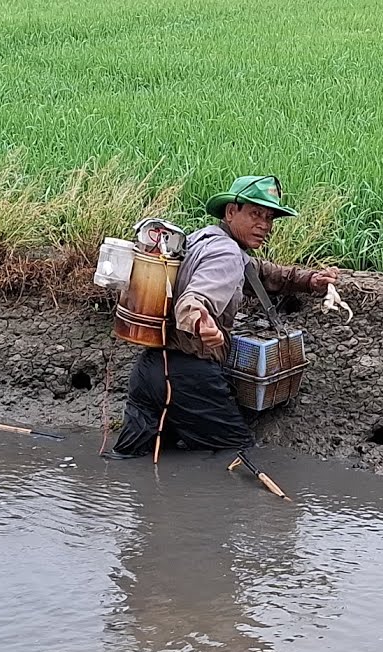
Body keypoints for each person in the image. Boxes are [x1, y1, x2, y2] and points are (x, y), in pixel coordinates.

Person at [107, 175, 338, 459]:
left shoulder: (202, 239)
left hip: (149, 371)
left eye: (269, 217)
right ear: (231, 211)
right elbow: (193, 300)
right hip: (190, 376)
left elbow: (261, 274)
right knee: (236, 456)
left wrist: (310, 280)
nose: (264, 225)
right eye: (255, 214)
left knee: (130, 459)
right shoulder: (227, 254)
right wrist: (202, 322)